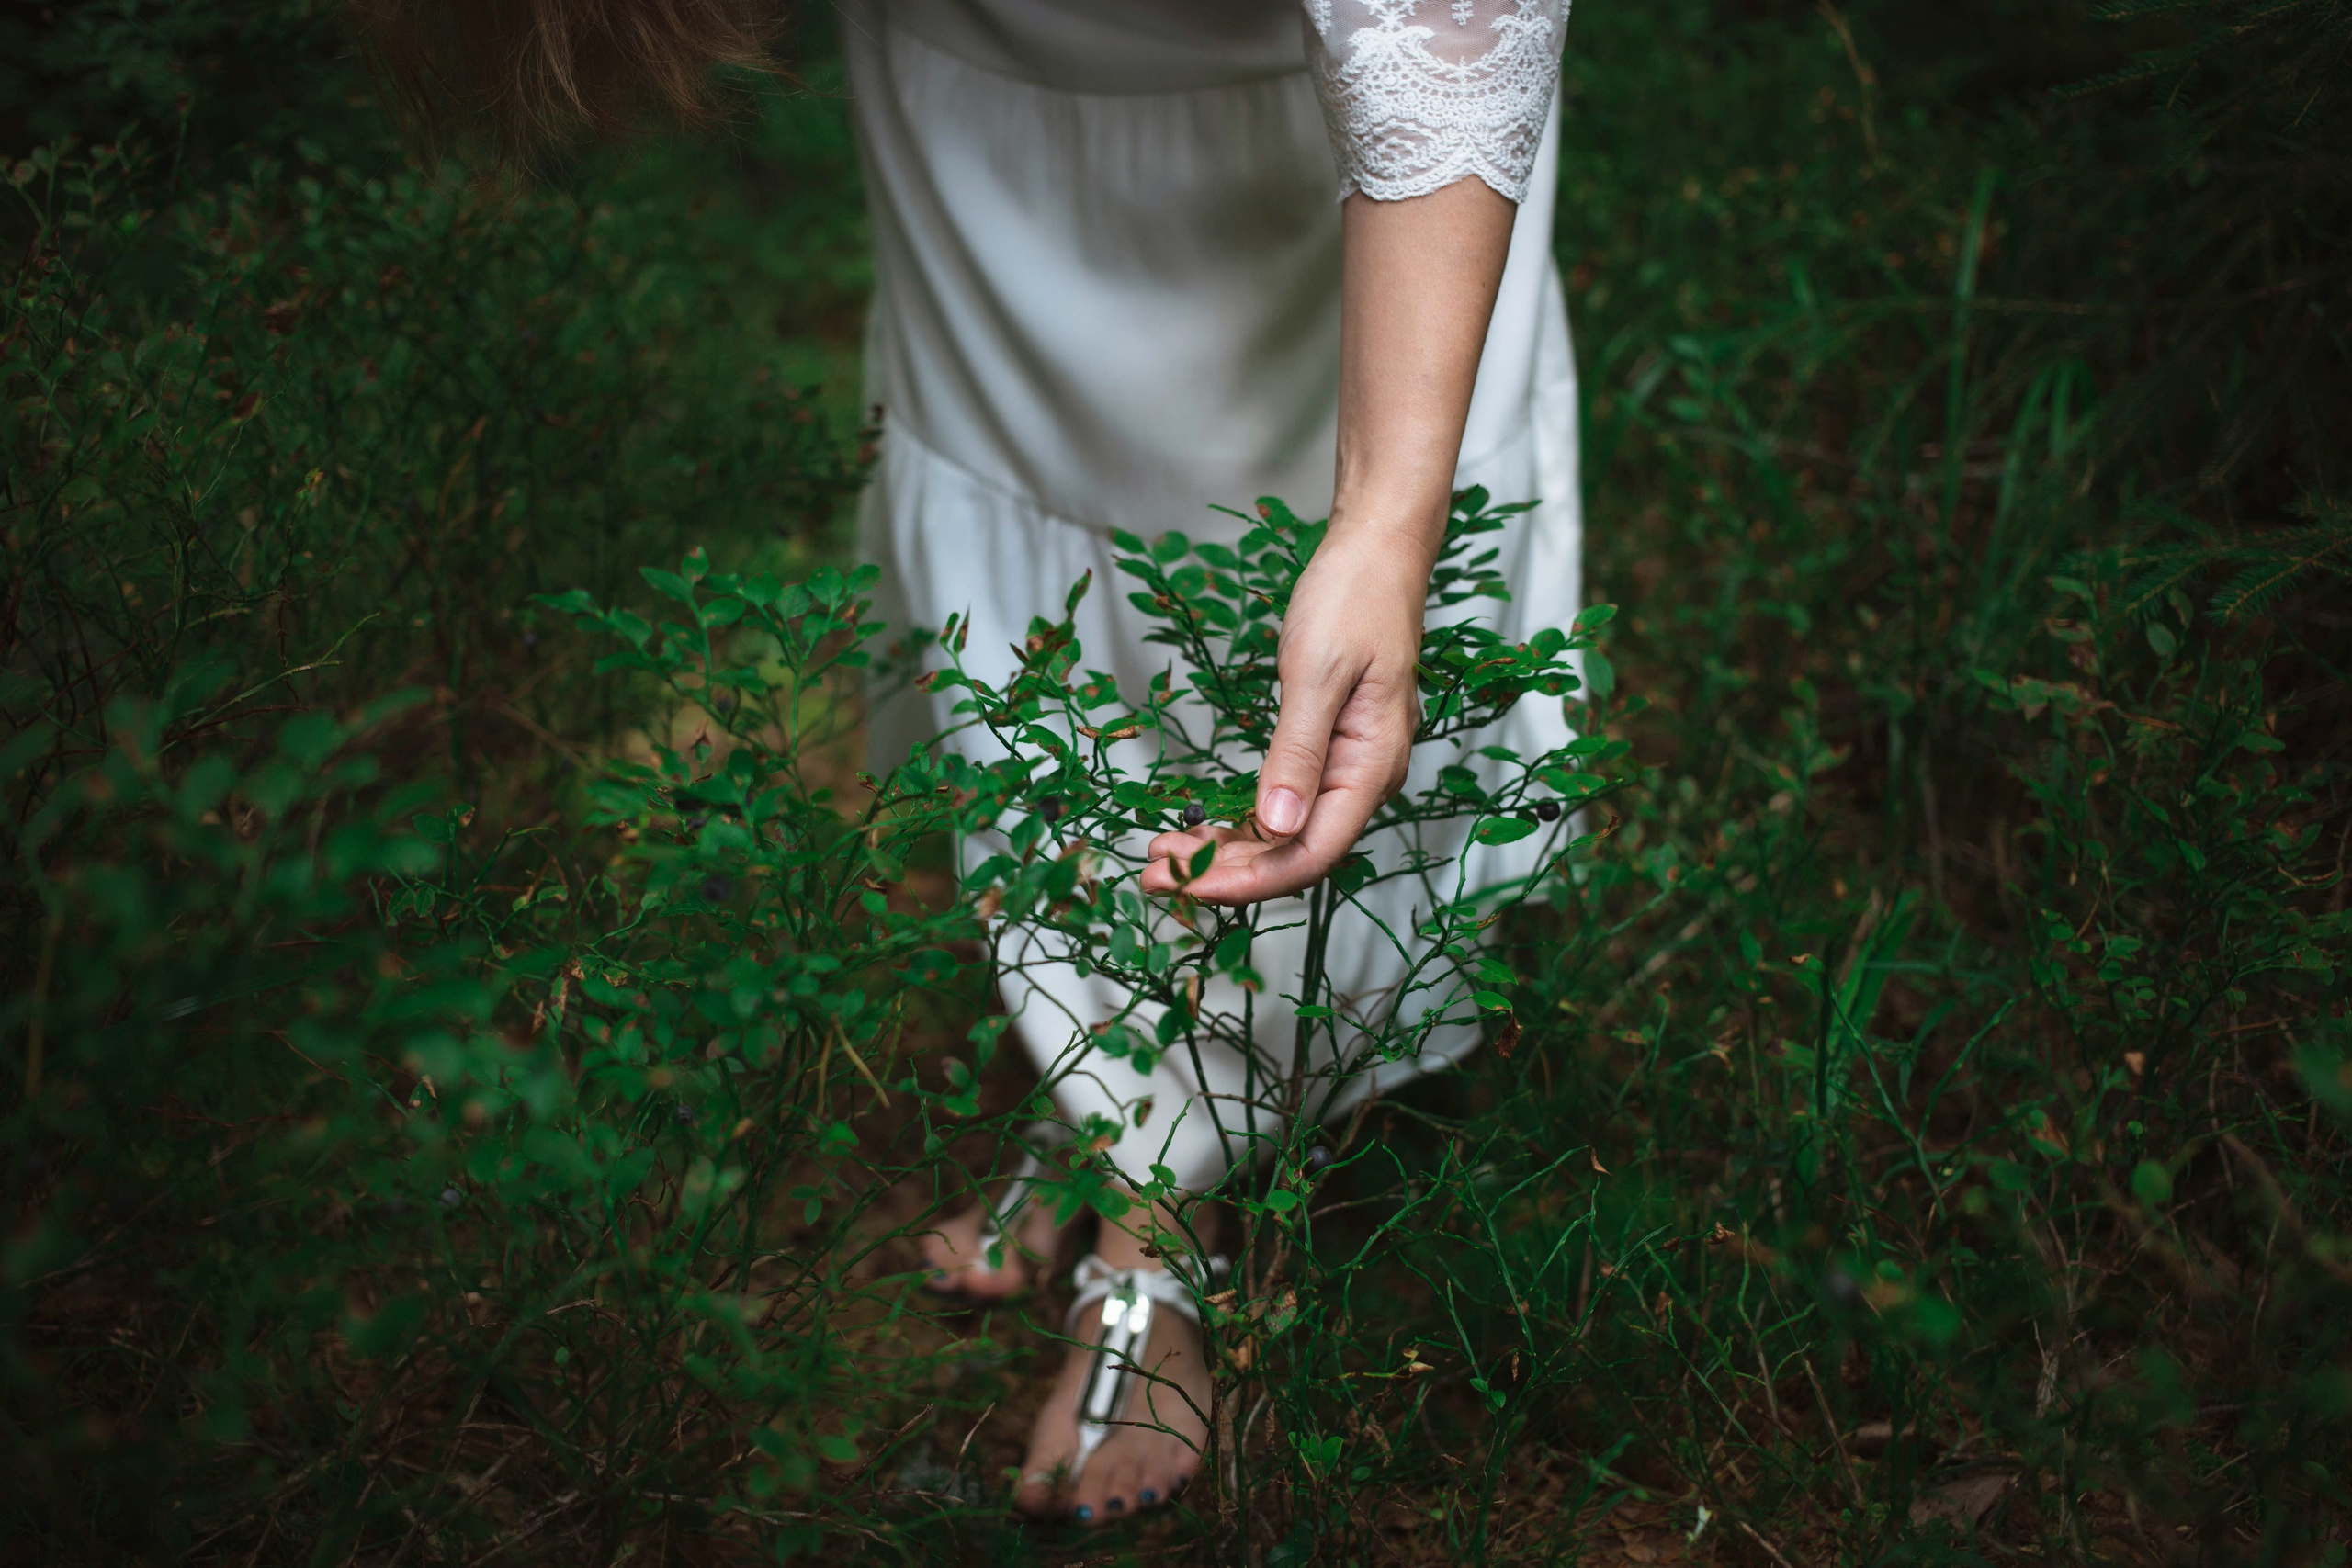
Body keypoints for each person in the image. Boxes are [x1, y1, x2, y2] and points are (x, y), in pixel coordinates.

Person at [363, 0, 1580, 1529]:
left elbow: (1451, 38)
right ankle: (1100, 1074)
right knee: (1035, 585)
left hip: (1306, 144)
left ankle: (1161, 1216)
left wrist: (1390, 519)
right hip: (984, 114)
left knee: (1266, 616)